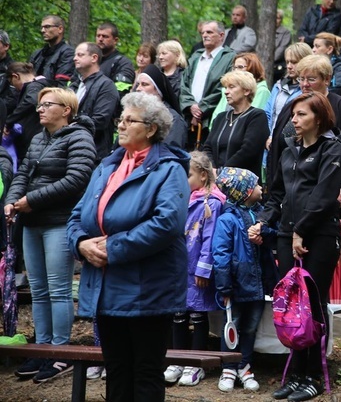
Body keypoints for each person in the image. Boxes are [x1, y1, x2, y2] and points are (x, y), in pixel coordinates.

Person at [68, 92, 191, 402]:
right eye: (119, 119)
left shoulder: (169, 169)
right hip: (106, 288)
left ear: (150, 129)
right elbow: (76, 217)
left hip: (148, 288)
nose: (120, 125)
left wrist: (113, 248)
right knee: (117, 370)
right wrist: (81, 244)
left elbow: (167, 224)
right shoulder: (106, 166)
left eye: (128, 120)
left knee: (146, 373)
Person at [254, 92, 341, 400]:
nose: (294, 119)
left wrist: (301, 231)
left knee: (313, 306)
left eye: (302, 114)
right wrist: (262, 221)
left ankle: (314, 376)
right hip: (286, 234)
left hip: (318, 237)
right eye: (293, 114)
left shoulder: (332, 148)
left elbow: (323, 197)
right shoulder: (289, 148)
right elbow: (276, 191)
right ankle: (295, 374)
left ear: (318, 118)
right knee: (292, 305)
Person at [6, 87, 96, 382]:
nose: (39, 109)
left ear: (66, 110)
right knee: (38, 290)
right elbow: (23, 174)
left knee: (58, 290)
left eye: (47, 104)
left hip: (59, 222)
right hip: (31, 222)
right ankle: (42, 349)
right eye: (39, 105)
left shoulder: (80, 137)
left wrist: (33, 200)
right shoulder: (37, 138)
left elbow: (76, 179)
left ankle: (60, 353)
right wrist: (12, 200)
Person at [267, 55, 341, 216]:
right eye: (301, 79)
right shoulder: (292, 109)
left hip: (327, 192)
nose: (305, 84)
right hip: (291, 192)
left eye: (311, 79)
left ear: (327, 79)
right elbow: (283, 144)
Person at [164, 151, 224, 387]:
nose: (183, 179)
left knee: (198, 314)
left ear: (202, 174)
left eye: (187, 175)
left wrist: (203, 269)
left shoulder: (212, 202)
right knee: (178, 314)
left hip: (196, 270)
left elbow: (209, 239)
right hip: (177, 268)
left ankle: (195, 364)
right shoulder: (181, 199)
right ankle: (177, 359)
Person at [213, 167, 271, 393]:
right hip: (236, 285)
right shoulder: (227, 220)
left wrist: (264, 234)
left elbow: (272, 234)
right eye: (256, 185)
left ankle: (245, 366)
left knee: (250, 327)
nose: (260, 188)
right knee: (232, 326)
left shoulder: (261, 214)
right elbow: (221, 255)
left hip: (257, 286)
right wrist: (224, 285)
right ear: (244, 192)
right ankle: (228, 367)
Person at [204, 71, 269, 178]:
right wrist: (213, 170)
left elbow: (248, 151)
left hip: (242, 183)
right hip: (215, 180)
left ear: (246, 91)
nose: (226, 92)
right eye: (225, 87)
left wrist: (222, 172)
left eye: (231, 87)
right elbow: (207, 148)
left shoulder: (257, 116)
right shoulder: (220, 118)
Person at [180, 21, 235, 137]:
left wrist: (201, 109)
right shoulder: (196, 57)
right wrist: (191, 105)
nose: (205, 35)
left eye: (209, 32)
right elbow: (183, 84)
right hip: (188, 116)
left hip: (213, 117)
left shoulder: (230, 57)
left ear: (221, 35)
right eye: (203, 33)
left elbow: (224, 87)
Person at [69, 42, 120, 162]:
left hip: (94, 154)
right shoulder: (74, 85)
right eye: (75, 55)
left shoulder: (106, 86)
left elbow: (100, 120)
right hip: (71, 150)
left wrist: (70, 127)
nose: (75, 58)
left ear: (94, 58)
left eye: (80, 55)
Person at [211, 52, 272, 129]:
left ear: (252, 68)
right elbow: (215, 120)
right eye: (234, 68)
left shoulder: (262, 91)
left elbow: (251, 119)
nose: (235, 71)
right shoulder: (227, 90)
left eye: (240, 67)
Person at [135, 64, 188, 150]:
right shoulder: (135, 114)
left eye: (144, 84)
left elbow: (170, 153)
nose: (138, 88)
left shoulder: (173, 119)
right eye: (138, 84)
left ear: (158, 89)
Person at [5, 62, 49, 163]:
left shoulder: (34, 86)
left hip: (34, 140)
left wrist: (9, 121)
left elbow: (31, 101)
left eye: (12, 84)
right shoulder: (41, 85)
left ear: (16, 76)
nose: (15, 87)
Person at [29, 15, 75, 87]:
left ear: (60, 29)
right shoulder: (37, 54)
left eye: (47, 27)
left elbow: (61, 85)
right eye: (42, 27)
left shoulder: (68, 53)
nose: (43, 31)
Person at [96, 22, 136, 97]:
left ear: (115, 40)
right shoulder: (91, 60)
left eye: (105, 36)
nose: (100, 39)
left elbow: (120, 92)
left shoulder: (123, 63)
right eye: (98, 36)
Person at [274, 9, 292, 83]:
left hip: (278, 65)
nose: (275, 20)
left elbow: (282, 49)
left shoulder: (286, 32)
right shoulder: (264, 31)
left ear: (281, 20)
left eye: (277, 18)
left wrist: (270, 60)